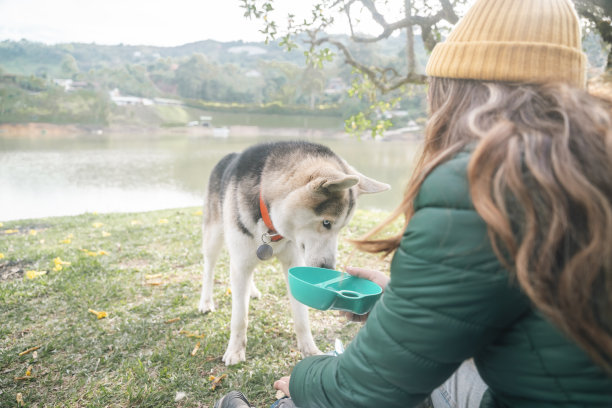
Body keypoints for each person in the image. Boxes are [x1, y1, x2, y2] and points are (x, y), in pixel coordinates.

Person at [215, 0, 612, 406]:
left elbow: (366, 390)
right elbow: (520, 313)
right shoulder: (584, 164)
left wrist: (303, 379)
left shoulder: (486, 185)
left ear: (460, 91)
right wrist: (399, 306)